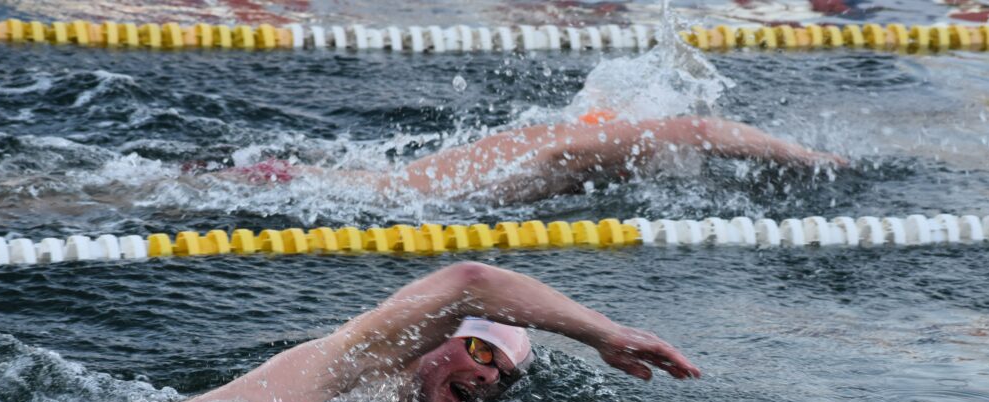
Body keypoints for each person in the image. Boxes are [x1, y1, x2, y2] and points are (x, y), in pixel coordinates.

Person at [172, 261, 700, 402]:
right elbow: (470, 282)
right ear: (437, 338)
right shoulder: (362, 362)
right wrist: (603, 334)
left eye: (504, 374)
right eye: (482, 351)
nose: (491, 375)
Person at [214, 115, 846, 204]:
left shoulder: (577, 126)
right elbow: (703, 128)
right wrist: (808, 157)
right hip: (417, 202)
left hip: (390, 183)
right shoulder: (624, 139)